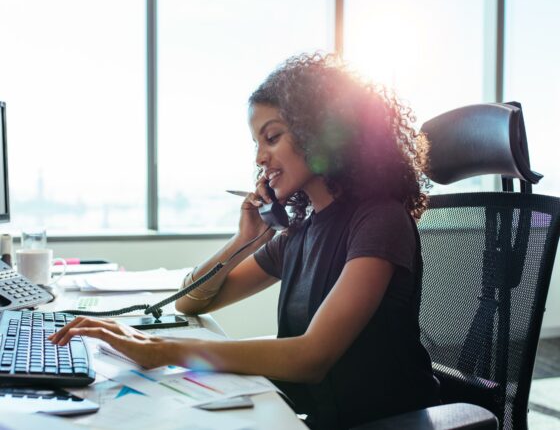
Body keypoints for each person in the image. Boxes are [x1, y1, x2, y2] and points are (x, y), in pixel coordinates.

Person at [50, 53, 440, 429]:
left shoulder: (380, 220)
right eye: (257, 143)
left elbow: (312, 357)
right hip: (314, 415)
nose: (259, 158)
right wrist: (245, 239)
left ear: (319, 132)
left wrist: (162, 352)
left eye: (271, 137)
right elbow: (193, 300)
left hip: (380, 422)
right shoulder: (299, 233)